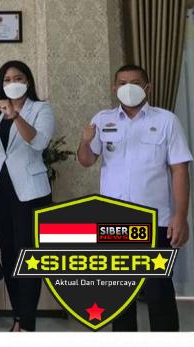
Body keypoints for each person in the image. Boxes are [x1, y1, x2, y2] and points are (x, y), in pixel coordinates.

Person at [77, 64, 191, 331]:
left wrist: (180, 216)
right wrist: (84, 141)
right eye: (122, 83)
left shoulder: (166, 121)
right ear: (114, 88)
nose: (128, 88)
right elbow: (86, 160)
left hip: (156, 221)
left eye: (135, 83)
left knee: (159, 294)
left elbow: (179, 170)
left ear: (147, 87)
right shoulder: (102, 119)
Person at [0, 61, 54, 332]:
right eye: (7, 79)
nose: (12, 83)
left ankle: (28, 323)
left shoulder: (41, 109)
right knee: (9, 254)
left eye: (18, 78)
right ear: (1, 84)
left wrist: (15, 116)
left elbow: (39, 142)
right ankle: (18, 314)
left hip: (31, 193)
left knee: (28, 255)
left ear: (27, 81)